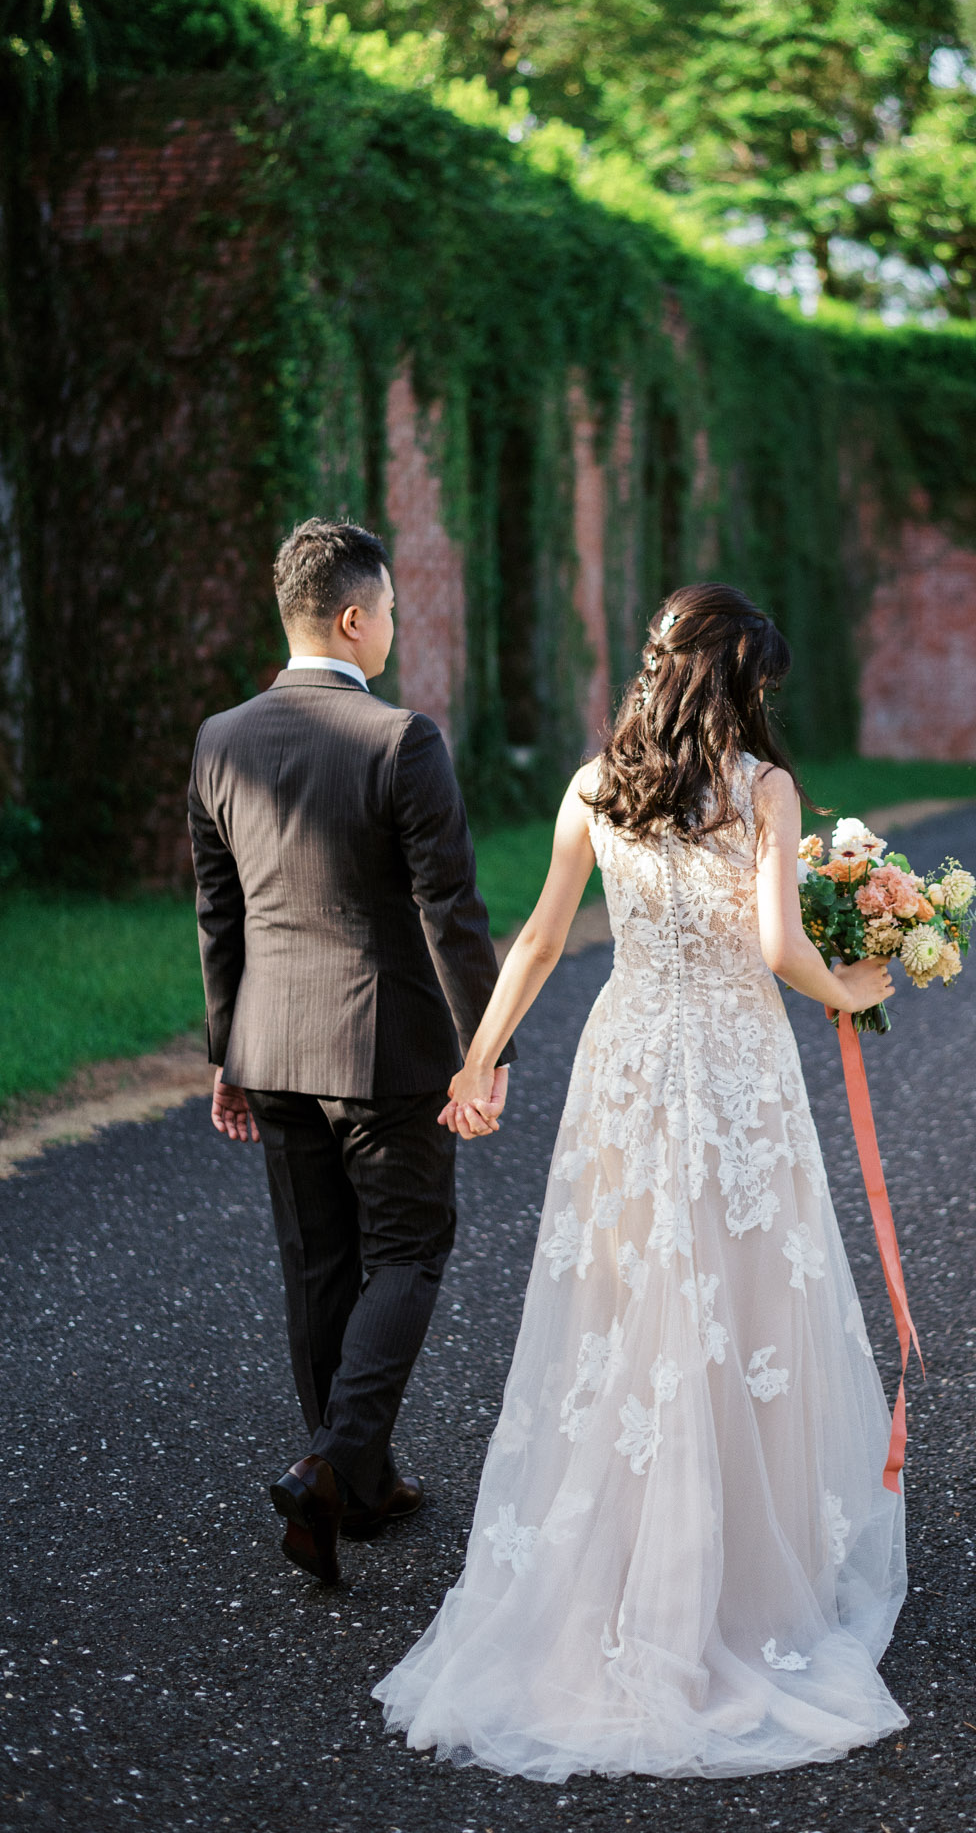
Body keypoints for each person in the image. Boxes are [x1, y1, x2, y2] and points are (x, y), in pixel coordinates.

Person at [375, 582, 908, 1780]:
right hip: (728, 1063)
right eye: (760, 681)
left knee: (634, 1299)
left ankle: (632, 1563)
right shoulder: (762, 790)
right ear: (736, 678)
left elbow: (544, 941)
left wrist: (478, 1058)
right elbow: (778, 950)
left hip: (626, 1062)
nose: (766, 700)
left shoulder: (591, 783)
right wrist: (855, 991)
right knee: (743, 1295)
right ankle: (729, 1580)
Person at [188, 516, 512, 1588]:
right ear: (354, 616)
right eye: (391, 616)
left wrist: (225, 1050)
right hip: (391, 1052)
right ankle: (331, 1465)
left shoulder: (220, 738)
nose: (395, 633)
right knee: (409, 1252)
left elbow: (218, 912)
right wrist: (485, 1048)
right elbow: (449, 909)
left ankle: (356, 1489)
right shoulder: (400, 740)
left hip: (272, 1047)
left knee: (318, 1265)